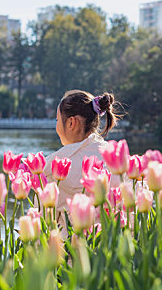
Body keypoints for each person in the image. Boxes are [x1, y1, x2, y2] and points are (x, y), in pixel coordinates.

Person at [42, 89, 120, 228]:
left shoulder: (53, 165)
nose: (56, 126)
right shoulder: (115, 156)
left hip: (71, 245)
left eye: (57, 120)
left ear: (71, 123)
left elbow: (44, 221)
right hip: (112, 240)